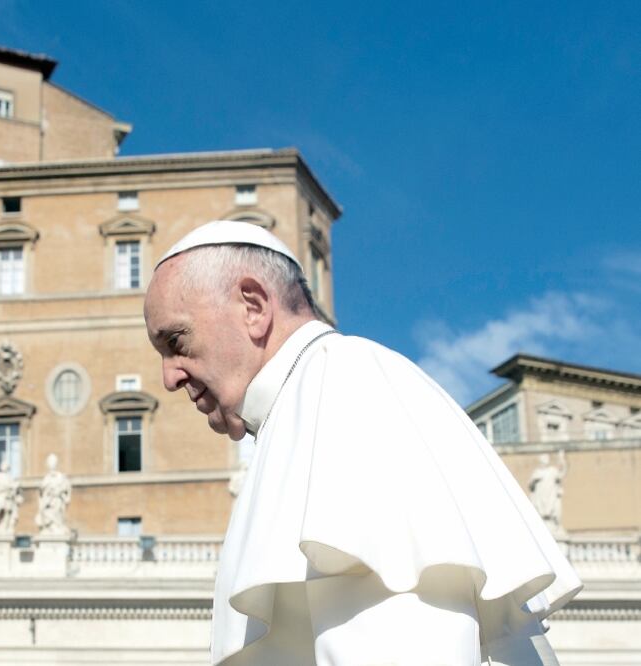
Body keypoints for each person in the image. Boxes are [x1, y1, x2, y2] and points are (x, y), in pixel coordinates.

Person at [144, 221, 581, 666]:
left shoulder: (343, 386)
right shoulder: (306, 400)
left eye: (176, 341)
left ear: (253, 306)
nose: (169, 377)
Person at [529, 450, 568, 538]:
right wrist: (534, 480)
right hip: (540, 499)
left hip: (550, 498)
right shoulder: (536, 473)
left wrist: (562, 459)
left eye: (546, 459)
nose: (544, 461)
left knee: (554, 511)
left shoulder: (552, 471)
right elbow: (530, 485)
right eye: (543, 459)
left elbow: (562, 473)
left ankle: (552, 523)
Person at [36, 453, 72, 536]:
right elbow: (42, 491)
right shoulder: (46, 477)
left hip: (58, 500)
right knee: (47, 515)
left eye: (53, 461)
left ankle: (57, 527)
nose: (51, 463)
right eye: (50, 461)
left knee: (57, 516)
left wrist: (62, 493)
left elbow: (67, 487)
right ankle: (50, 528)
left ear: (56, 463)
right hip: (48, 502)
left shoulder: (61, 476)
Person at [0, 460, 23, 535]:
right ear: (1, 467)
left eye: (6, 465)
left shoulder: (10, 478)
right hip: (1, 495)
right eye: (3, 465)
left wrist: (16, 487)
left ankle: (5, 529)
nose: (4, 467)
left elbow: (15, 488)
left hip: (8, 497)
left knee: (8, 512)